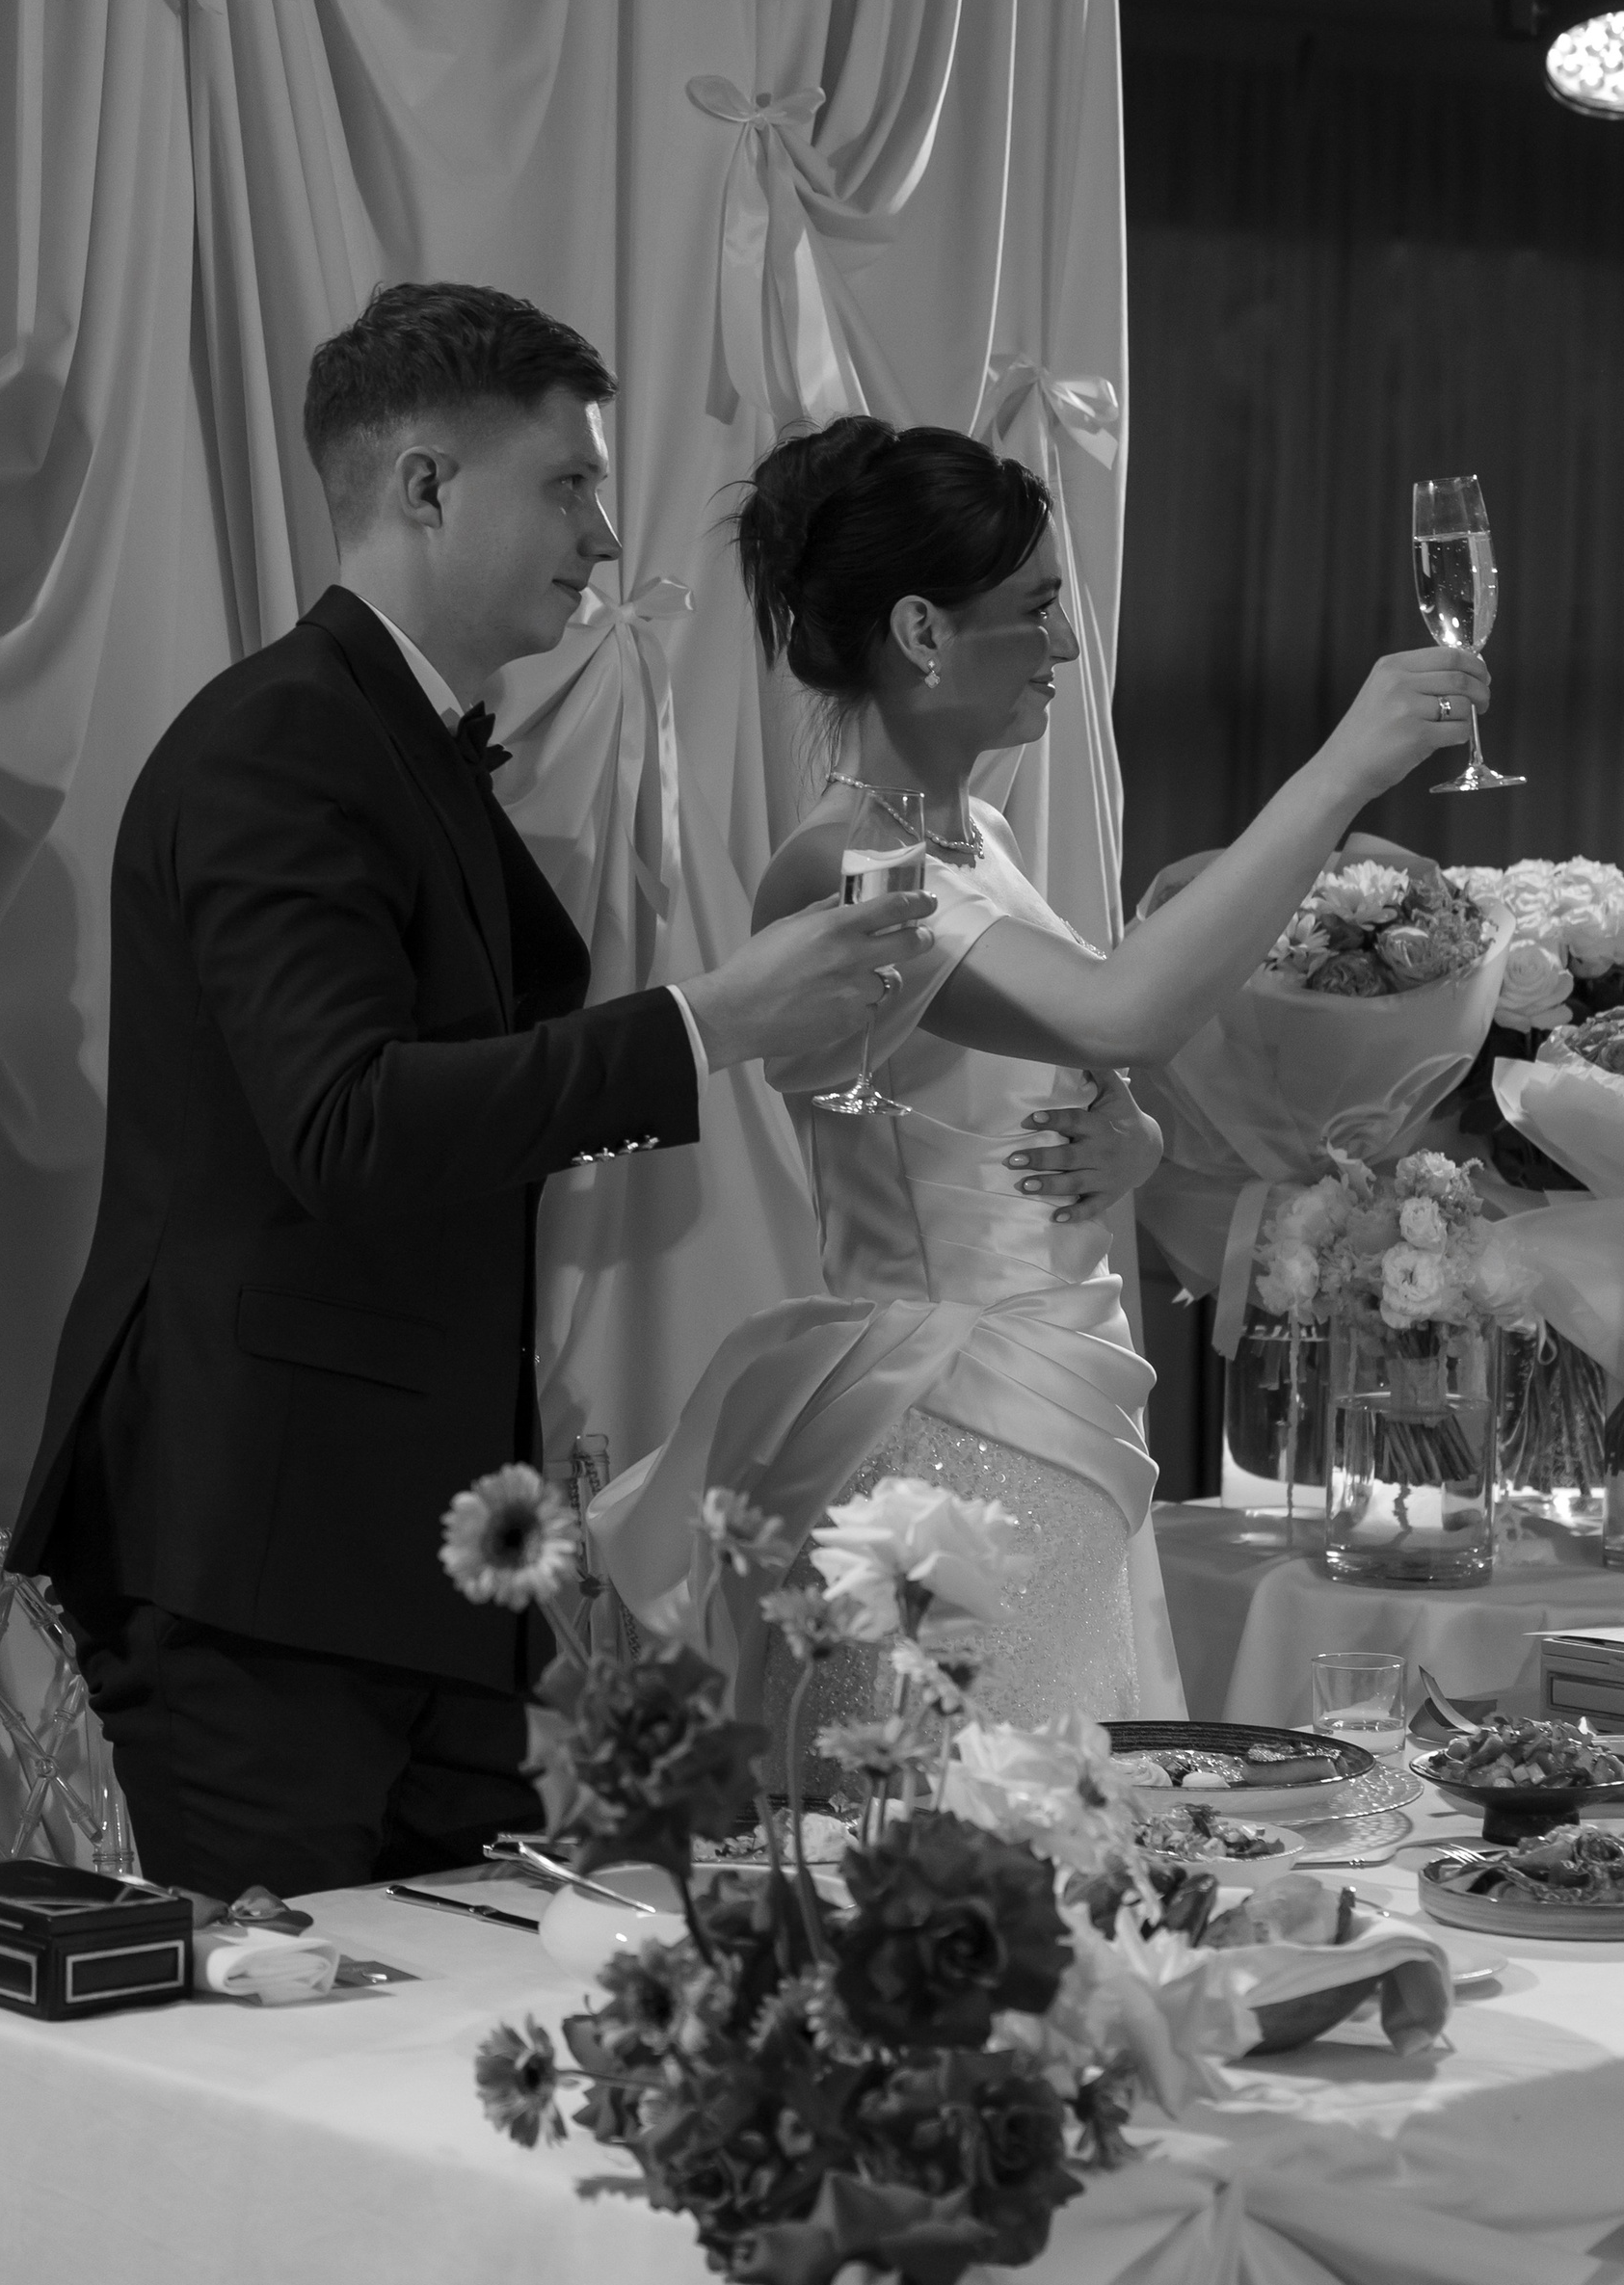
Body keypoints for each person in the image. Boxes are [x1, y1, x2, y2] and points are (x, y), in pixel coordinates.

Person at [7, 287, 945, 1900]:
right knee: (301, 2026)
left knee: (461, 2008)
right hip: (260, 1550)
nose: (604, 533)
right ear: (428, 487)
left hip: (400, 1553)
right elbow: (348, 1125)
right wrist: (708, 1022)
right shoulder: (278, 745)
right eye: (568, 483)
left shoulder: (393, 738)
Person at [594, 415, 1490, 1736]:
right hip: (956, 1426)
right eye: (1035, 608)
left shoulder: (983, 838)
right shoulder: (852, 867)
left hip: (1060, 1398)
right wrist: (1343, 768)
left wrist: (1131, 1135)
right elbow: (1122, 1013)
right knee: (984, 1798)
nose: (1066, 644)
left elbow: (1041, 1063)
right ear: (921, 631)